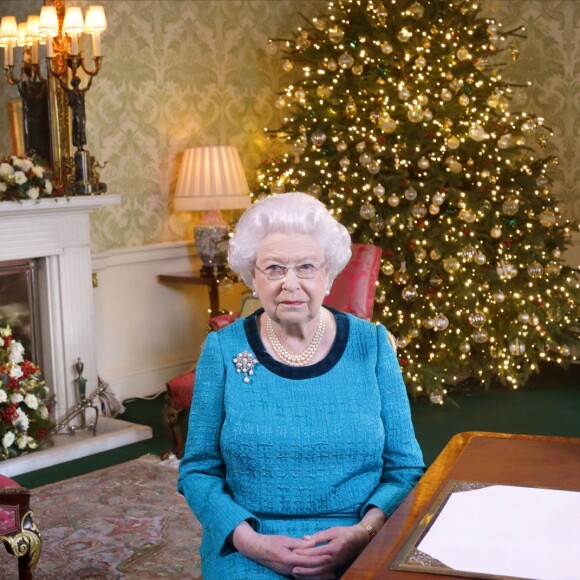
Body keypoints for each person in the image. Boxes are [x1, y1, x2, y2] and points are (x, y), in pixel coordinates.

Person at [177, 192, 425, 579]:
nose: (290, 284)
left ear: (328, 275)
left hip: (359, 533)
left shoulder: (371, 344)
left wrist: (362, 534)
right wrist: (251, 541)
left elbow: (405, 467)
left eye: (306, 267)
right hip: (252, 537)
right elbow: (198, 470)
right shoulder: (224, 349)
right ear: (252, 277)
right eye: (274, 268)